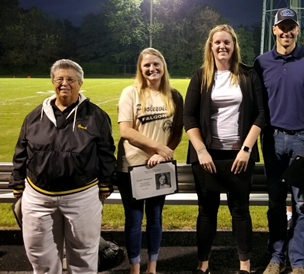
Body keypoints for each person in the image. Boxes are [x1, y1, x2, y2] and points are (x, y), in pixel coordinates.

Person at [9, 59, 116, 274]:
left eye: (70, 79)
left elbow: (106, 152)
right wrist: (17, 182)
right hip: (38, 198)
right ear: (52, 82)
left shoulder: (96, 116)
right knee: (41, 258)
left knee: (84, 257)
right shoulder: (34, 116)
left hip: (82, 197)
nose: (64, 83)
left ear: (80, 83)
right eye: (59, 79)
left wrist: (106, 183)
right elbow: (21, 151)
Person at [254, 8, 304, 274]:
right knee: (275, 203)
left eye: (291, 27)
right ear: (274, 29)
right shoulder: (262, 62)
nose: (286, 32)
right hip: (273, 140)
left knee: (300, 205)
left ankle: (299, 262)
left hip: (302, 140)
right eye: (281, 27)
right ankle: (276, 257)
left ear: (297, 29)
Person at [184, 24, 265, 274]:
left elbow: (261, 114)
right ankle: (203, 264)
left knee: (239, 210)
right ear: (211, 46)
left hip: (239, 155)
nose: (222, 46)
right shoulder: (201, 76)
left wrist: (246, 149)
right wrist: (201, 151)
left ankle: (244, 265)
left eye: (227, 42)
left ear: (234, 46)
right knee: (207, 212)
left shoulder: (248, 75)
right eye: (217, 42)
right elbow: (188, 116)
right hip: (207, 156)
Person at [116, 48, 183, 274]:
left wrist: (162, 153)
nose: (152, 69)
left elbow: (176, 133)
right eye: (146, 65)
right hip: (132, 168)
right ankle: (135, 269)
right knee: (134, 219)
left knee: (155, 217)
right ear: (140, 68)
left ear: (163, 66)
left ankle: (152, 268)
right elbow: (126, 131)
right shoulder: (130, 93)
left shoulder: (174, 95)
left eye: (156, 64)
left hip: (159, 166)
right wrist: (157, 148)